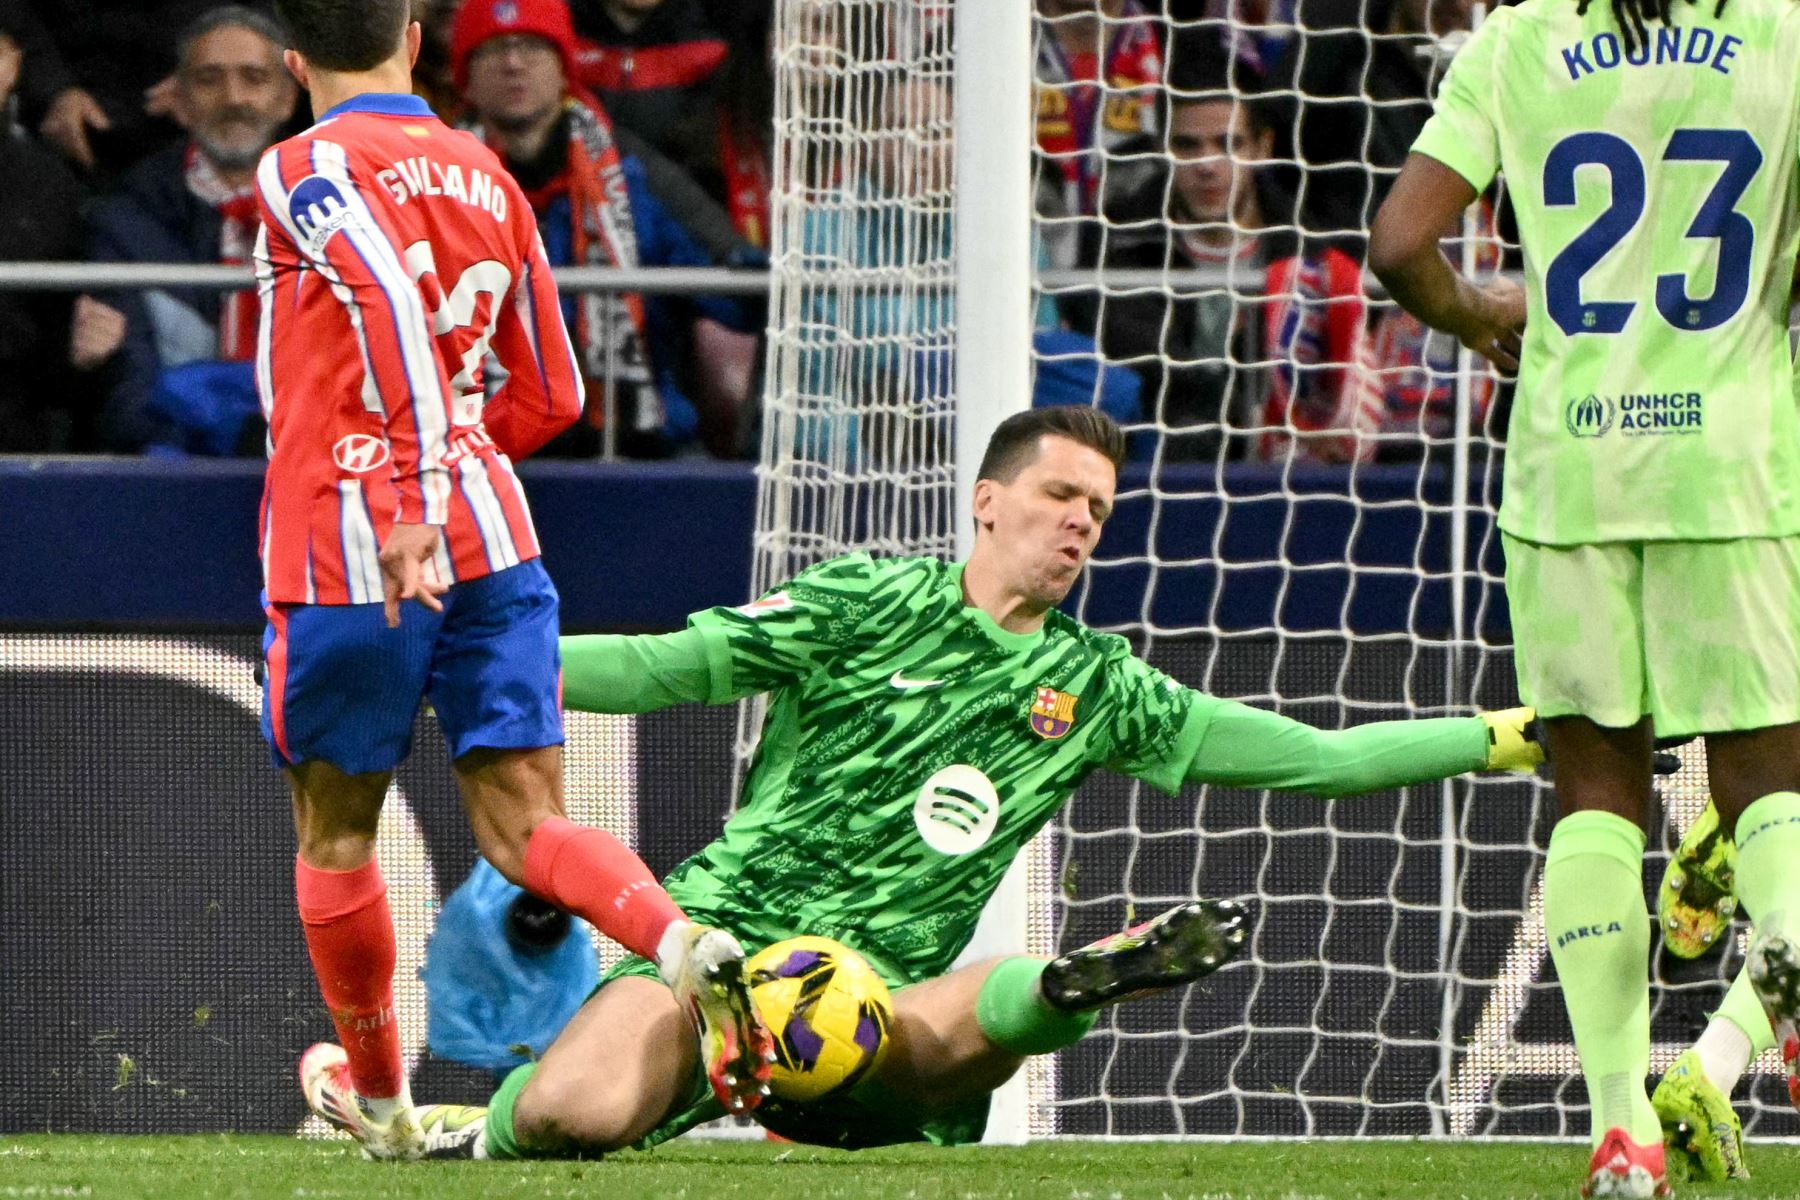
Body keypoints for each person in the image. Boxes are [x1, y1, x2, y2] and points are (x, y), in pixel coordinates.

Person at [300, 405, 1551, 1159]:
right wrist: (475, 670)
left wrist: (1498, 737)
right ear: (988, 501)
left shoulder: (1099, 689)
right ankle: (469, 1129)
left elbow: (1318, 759)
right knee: (572, 1121)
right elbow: (669, 666)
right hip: (720, 955)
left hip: (877, 1014)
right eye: (1060, 496)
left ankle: (1069, 987)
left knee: (967, 1018)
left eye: (1098, 513)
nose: (1078, 526)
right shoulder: (865, 602)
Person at [257, 0, 771, 1159]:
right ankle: (680, 941)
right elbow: (554, 391)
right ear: (416, 42)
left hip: (359, 543)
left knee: (335, 833)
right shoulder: (485, 170)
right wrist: (462, 465)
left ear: (295, 63)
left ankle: (382, 1106)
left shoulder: (308, 163)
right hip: (499, 535)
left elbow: (384, 298)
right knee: (525, 821)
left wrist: (407, 496)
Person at [1368, 0, 1800, 1188]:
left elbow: (1402, 243)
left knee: (1597, 788)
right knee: (1766, 778)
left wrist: (1476, 314)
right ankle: (1792, 946)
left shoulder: (1519, 40)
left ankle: (1622, 1130)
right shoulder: (1782, 34)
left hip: (1570, 466)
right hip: (1737, 463)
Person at [449, 0, 763, 458]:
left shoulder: (632, 173)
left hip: (639, 446)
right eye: (494, 49)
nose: (514, 63)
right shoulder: (431, 182)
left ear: (564, 69)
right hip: (478, 454)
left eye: (531, 46)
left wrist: (760, 270)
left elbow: (734, 288)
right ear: (467, 79)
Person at [1066, 87, 1378, 464]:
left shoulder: (1316, 258)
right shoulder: (1115, 244)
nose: (1208, 165)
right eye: (1187, 146)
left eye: (1228, 144)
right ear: (1164, 149)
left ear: (1262, 148)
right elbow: (1138, 371)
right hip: (1150, 467)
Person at [78, 5, 298, 455]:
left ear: (288, 98)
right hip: (177, 479)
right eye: (209, 79)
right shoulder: (123, 222)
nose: (234, 97)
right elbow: (126, 401)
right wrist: (239, 436)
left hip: (314, 474)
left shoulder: (339, 213)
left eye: (254, 78)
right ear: (178, 100)